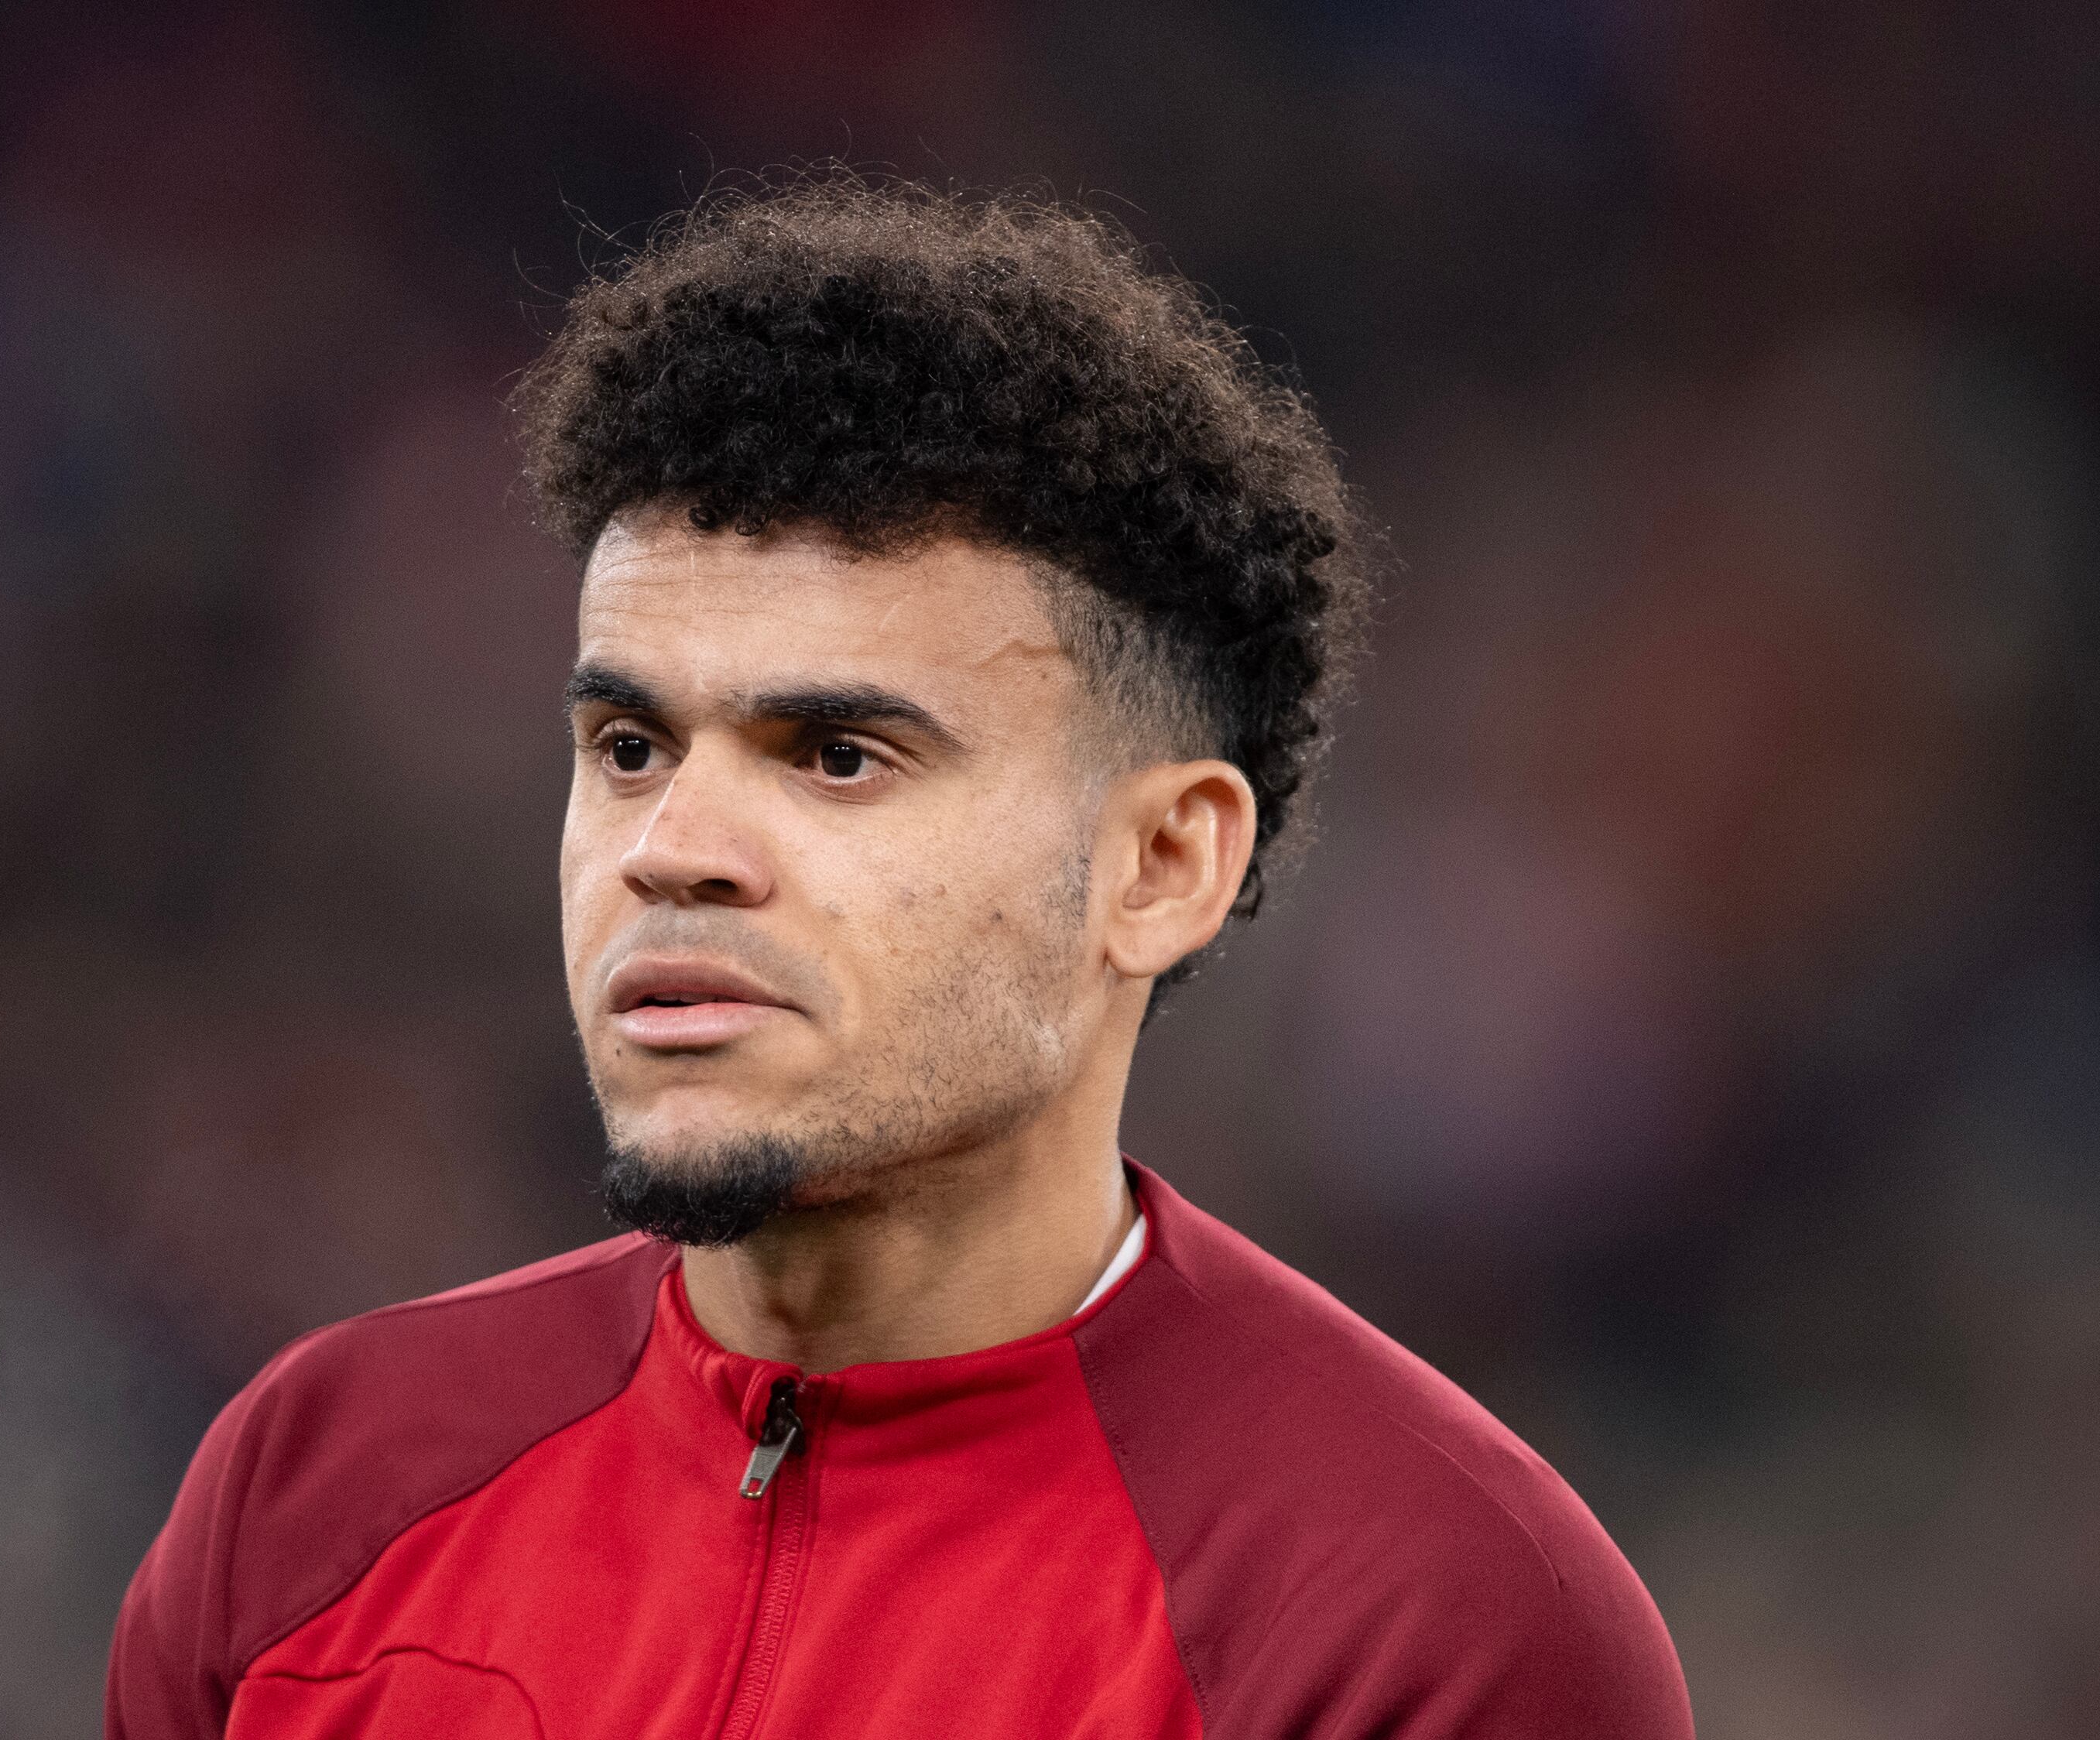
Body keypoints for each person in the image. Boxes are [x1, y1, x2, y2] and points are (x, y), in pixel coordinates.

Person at [106, 176, 1695, 1740]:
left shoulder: (1428, 1619)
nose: (672, 846)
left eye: (838, 755)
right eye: (630, 742)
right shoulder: (314, 1484)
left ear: (1157, 864)